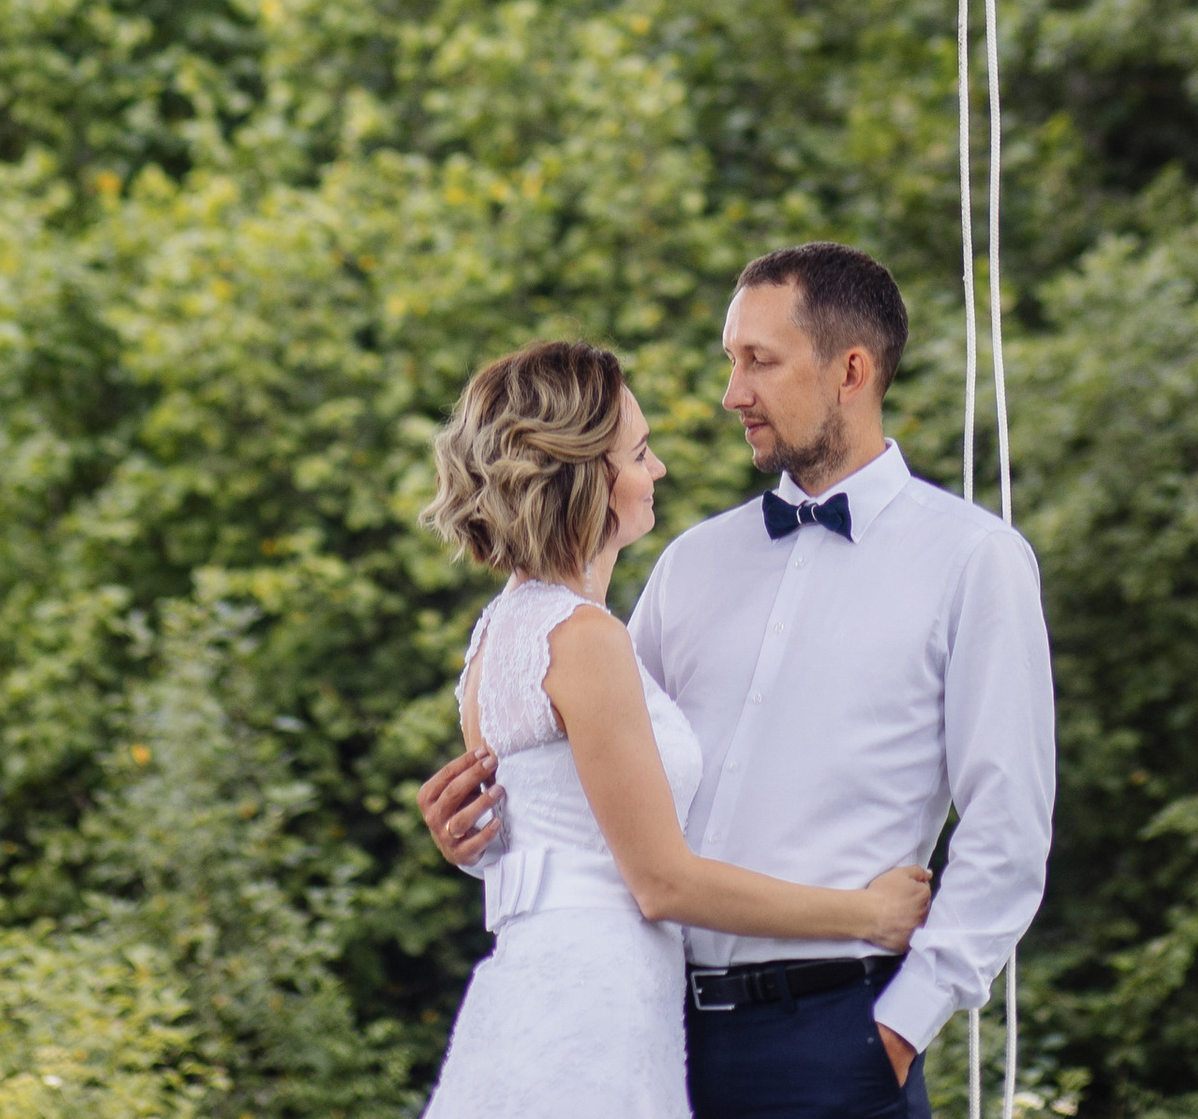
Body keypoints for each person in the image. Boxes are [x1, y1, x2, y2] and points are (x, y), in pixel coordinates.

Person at [419, 243, 1055, 1117]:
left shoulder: (974, 562)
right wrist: (486, 840)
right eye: (732, 360)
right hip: (652, 1030)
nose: (732, 394)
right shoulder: (690, 564)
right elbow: (599, 785)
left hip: (839, 1035)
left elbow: (1009, 830)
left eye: (759, 361)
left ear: (852, 371)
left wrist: (902, 1025)